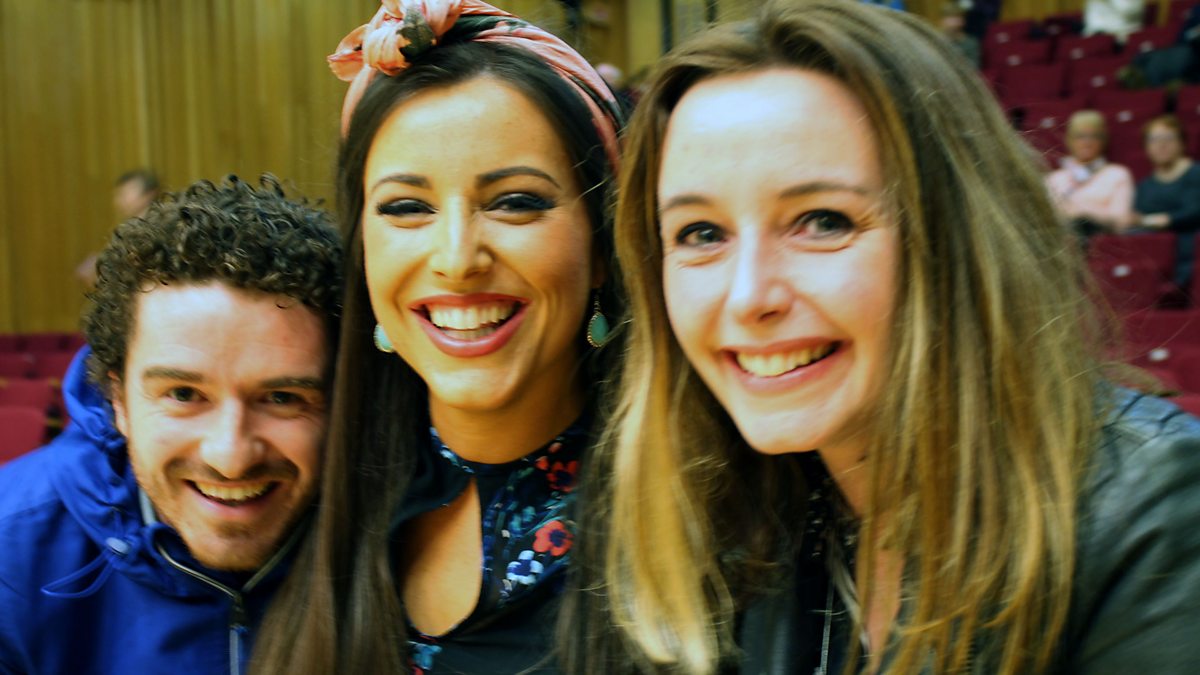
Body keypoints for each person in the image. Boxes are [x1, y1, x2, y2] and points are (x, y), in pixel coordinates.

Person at [586, 1, 1200, 673]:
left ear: (960, 238)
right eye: (701, 233)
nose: (748, 295)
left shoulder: (1156, 512)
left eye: (823, 221)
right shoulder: (748, 503)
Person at [250, 2, 623, 674]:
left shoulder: (704, 536)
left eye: (516, 201)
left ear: (602, 243)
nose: (456, 259)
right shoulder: (297, 493)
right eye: (406, 207)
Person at [0, 175, 343, 674]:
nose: (230, 456)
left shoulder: (409, 532)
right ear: (118, 400)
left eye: (282, 398)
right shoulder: (10, 551)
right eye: (183, 394)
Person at [1134, 114, 1200, 287]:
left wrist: (1163, 220)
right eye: (1154, 139)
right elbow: (1138, 219)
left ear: (1182, 142)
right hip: (1154, 256)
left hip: (1190, 251)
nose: (1161, 144)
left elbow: (1194, 211)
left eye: (1168, 138)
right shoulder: (1144, 186)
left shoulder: (1196, 174)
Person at [1046, 110, 1136, 235]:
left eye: (1094, 136)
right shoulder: (1054, 179)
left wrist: (1078, 211)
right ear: (1069, 140)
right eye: (1080, 136)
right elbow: (1047, 219)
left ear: (1103, 140)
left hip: (1101, 240)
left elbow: (1120, 220)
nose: (1087, 142)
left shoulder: (1117, 174)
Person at [76, 169, 162, 289]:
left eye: (125, 194)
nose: (119, 200)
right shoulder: (126, 230)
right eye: (118, 195)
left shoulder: (158, 229)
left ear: (149, 194)